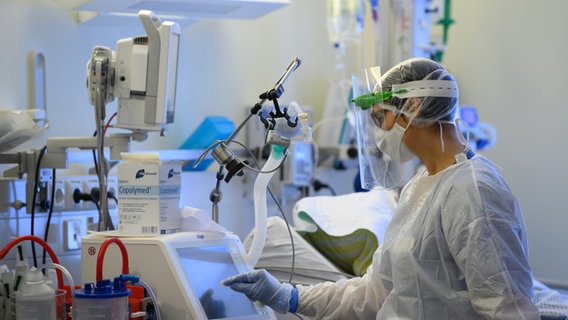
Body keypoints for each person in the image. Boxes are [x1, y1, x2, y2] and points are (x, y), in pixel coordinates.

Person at [222, 57, 539, 319]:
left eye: (380, 116)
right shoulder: (419, 188)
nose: (377, 130)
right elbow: (375, 291)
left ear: (413, 107)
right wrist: (286, 296)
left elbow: (507, 310)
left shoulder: (474, 192)